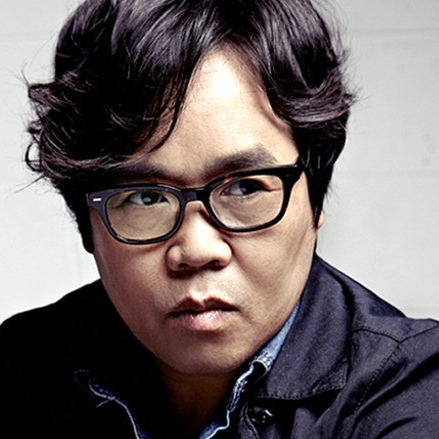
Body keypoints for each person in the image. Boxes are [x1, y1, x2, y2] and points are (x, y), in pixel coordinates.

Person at [1, 0, 439, 438]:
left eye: (245, 188)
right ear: (88, 224)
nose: (197, 249)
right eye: (145, 198)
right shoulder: (19, 370)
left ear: (315, 200)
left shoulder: (414, 392)